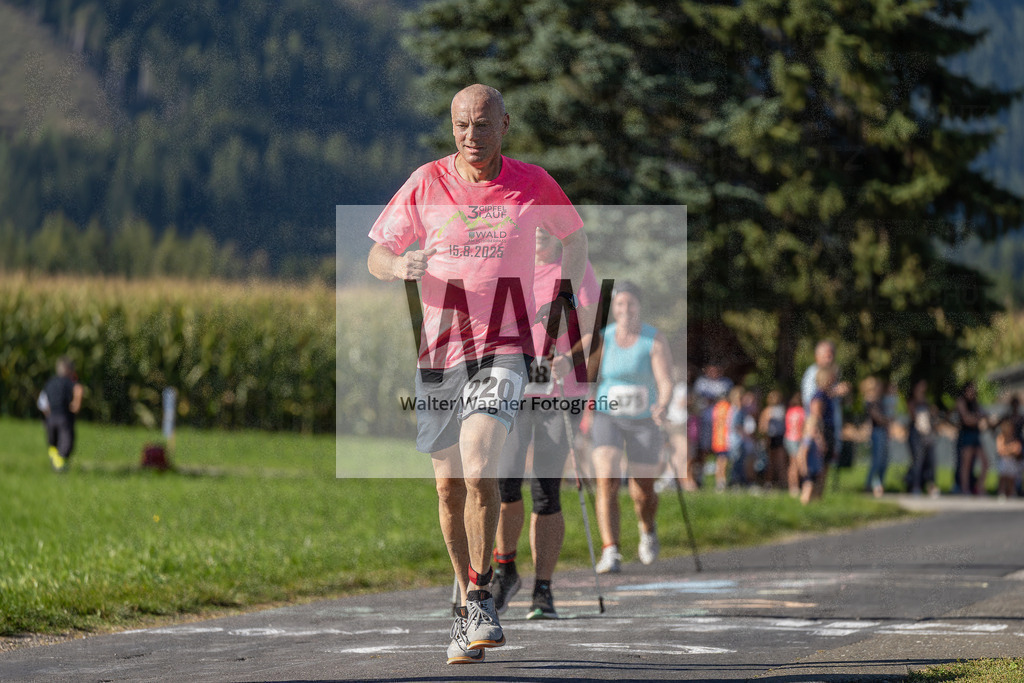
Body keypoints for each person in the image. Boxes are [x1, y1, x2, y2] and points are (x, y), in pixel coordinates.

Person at [366, 84, 588, 664]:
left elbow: (576, 238)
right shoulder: (426, 181)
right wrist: (399, 264)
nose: (471, 135)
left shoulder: (532, 182)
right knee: (447, 486)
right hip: (440, 354)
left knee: (480, 460)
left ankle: (482, 592)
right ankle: (466, 600)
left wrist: (558, 300)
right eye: (462, 124)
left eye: (483, 124)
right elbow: (377, 252)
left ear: (505, 126)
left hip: (503, 347)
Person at [491, 227, 600, 620]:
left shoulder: (575, 269)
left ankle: (543, 588)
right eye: (532, 228)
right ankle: (505, 570)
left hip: (558, 394)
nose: (538, 235)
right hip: (513, 389)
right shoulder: (509, 267)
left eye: (546, 229)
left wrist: (570, 359)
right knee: (504, 481)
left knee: (545, 489)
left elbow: (591, 330)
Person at [590, 281, 673, 573]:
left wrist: (662, 404)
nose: (626, 310)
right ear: (614, 308)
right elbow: (589, 377)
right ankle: (610, 549)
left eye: (631, 304)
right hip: (607, 415)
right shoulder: (604, 338)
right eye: (620, 304)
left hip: (643, 419)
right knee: (607, 478)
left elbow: (664, 380)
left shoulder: (653, 339)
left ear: (639, 306)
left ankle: (647, 529)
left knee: (642, 491)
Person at [800, 340, 849, 489]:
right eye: (827, 355)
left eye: (832, 355)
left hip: (829, 427)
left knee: (823, 468)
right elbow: (812, 405)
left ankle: (817, 502)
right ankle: (810, 500)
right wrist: (818, 434)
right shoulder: (813, 375)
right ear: (817, 356)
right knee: (814, 471)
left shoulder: (832, 375)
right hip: (818, 429)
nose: (830, 359)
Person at [795, 366, 837, 505]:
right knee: (820, 468)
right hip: (822, 431)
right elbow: (816, 415)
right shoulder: (819, 396)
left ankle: (818, 498)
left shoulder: (827, 395)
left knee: (824, 466)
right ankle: (814, 497)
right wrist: (819, 435)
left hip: (826, 430)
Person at [39, 356, 83, 472]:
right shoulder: (69, 382)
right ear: (69, 370)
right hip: (64, 417)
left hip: (51, 417)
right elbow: (78, 389)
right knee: (67, 443)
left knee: (53, 441)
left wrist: (47, 414)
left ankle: (55, 458)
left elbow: (42, 402)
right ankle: (60, 465)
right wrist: (76, 404)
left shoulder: (50, 382)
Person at [904, 378, 939, 497]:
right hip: (916, 433)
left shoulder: (927, 402)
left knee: (931, 461)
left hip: (928, 434)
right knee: (917, 461)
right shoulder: (912, 401)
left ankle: (931, 486)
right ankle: (915, 486)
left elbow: (932, 417)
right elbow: (913, 416)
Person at [954, 381, 988, 496]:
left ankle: (979, 487)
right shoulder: (961, 401)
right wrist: (978, 418)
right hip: (966, 435)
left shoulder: (975, 403)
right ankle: (965, 488)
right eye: (970, 390)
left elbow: (983, 416)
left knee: (985, 462)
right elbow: (966, 420)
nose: (972, 392)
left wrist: (977, 418)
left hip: (976, 435)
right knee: (966, 464)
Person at [862, 377, 891, 498]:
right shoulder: (870, 401)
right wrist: (886, 420)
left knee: (884, 460)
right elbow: (877, 417)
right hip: (876, 431)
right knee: (877, 460)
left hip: (883, 431)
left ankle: (878, 484)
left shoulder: (880, 401)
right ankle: (870, 484)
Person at [758, 389, 787, 489]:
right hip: (770, 437)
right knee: (770, 461)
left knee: (780, 461)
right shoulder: (767, 411)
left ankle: (782, 481)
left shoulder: (782, 410)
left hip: (780, 436)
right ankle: (768, 482)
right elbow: (762, 427)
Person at [783, 392, 806, 497]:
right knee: (798, 464)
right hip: (797, 439)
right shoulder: (802, 412)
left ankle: (792, 486)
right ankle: (797, 486)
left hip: (788, 438)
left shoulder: (789, 411)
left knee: (792, 464)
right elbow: (802, 427)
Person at [995, 419, 1021, 499]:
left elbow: (1017, 449)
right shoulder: (1001, 437)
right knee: (1003, 477)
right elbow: (1000, 450)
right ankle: (1001, 492)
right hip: (1004, 461)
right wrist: (1010, 450)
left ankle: (1012, 492)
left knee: (1011, 478)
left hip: (1012, 461)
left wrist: (1007, 450)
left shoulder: (1014, 438)